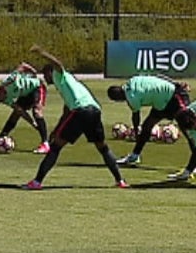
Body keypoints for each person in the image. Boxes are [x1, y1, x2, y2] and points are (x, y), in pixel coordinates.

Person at [23, 45, 127, 190]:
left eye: (45, 74)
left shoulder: (59, 75)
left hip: (81, 111)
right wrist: (56, 130)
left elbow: (58, 64)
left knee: (55, 148)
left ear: (50, 72)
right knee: (102, 147)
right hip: (94, 111)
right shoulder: (68, 85)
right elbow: (66, 112)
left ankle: (37, 182)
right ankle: (120, 181)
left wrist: (42, 53)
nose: (44, 78)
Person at [107, 74, 192, 166]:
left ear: (117, 99)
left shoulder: (131, 97)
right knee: (147, 126)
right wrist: (176, 83)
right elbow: (157, 76)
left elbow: (136, 117)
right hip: (162, 101)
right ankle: (135, 156)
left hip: (175, 98)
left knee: (187, 127)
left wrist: (136, 132)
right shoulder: (132, 80)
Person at [0, 62, 50, 154]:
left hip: (37, 87)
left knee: (37, 111)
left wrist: (33, 71)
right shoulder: (5, 99)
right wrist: (32, 123)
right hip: (25, 93)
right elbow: (20, 111)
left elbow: (23, 66)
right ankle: (1, 137)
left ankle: (45, 144)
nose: (3, 101)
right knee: (15, 114)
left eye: (0, 99)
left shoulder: (10, 81)